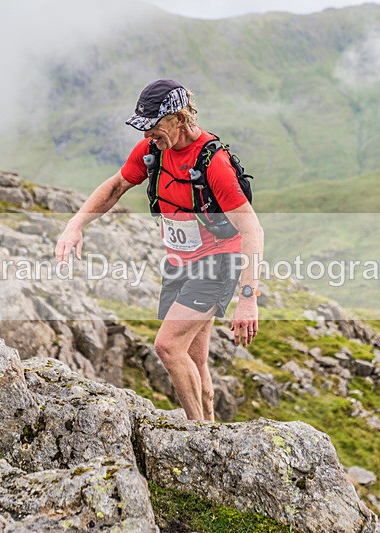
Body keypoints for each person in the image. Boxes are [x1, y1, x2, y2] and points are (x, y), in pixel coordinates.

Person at [55, 79, 264, 422]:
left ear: (179, 119)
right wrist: (75, 225)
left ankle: (199, 433)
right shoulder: (152, 149)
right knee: (194, 359)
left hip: (218, 264)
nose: (146, 135)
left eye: (153, 126)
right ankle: (211, 423)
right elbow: (117, 185)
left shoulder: (214, 163)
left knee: (168, 346)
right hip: (180, 264)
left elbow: (253, 230)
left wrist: (248, 297)